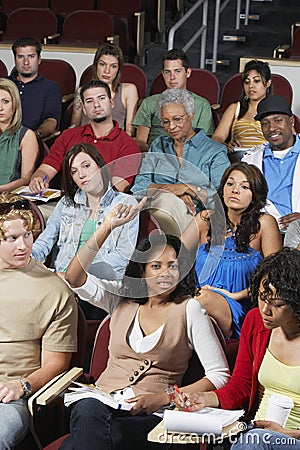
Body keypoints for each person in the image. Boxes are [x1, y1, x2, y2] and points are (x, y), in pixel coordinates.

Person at [60, 201, 230, 450]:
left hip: (153, 415)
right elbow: (74, 277)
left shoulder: (190, 309)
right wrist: (107, 225)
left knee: (78, 442)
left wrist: (164, 397)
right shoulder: (120, 298)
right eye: (156, 266)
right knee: (90, 411)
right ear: (141, 271)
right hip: (103, 404)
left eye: (173, 266)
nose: (166, 274)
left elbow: (220, 375)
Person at [176, 248, 300, 450]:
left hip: (291, 438)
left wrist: (288, 434)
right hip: (255, 433)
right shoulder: (255, 321)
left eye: (277, 304)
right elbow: (242, 384)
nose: (265, 310)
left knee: (257, 440)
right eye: (262, 298)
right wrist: (206, 398)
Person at [0, 192, 77, 449]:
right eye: (11, 238)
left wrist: (22, 385)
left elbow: (56, 363)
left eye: (27, 235)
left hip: (10, 395)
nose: (22, 246)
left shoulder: (55, 291)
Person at [181, 162, 282, 338]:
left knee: (198, 301)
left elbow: (275, 278)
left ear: (255, 195)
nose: (235, 190)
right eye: (230, 184)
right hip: (195, 297)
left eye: (244, 187)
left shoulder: (264, 223)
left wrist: (235, 295)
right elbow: (175, 257)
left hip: (238, 305)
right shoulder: (206, 219)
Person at [32, 143, 139, 280]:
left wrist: (76, 275)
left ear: (100, 166)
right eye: (74, 171)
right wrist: (25, 259)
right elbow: (44, 242)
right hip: (59, 277)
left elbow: (122, 258)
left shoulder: (125, 203)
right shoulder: (66, 203)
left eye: (86, 166)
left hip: (98, 282)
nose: (81, 175)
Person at [131, 88, 230, 236]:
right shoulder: (158, 145)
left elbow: (222, 196)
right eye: (165, 122)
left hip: (197, 217)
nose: (171, 127)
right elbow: (139, 186)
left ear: (191, 116)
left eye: (177, 119)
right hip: (156, 210)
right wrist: (173, 191)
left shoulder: (214, 151)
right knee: (165, 201)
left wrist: (189, 189)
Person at [29, 80, 141, 195]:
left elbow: (117, 187)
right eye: (89, 101)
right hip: (64, 203)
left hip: (104, 206)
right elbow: (46, 169)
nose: (96, 105)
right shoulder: (68, 136)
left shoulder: (128, 145)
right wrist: (38, 179)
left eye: (101, 98)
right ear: (84, 110)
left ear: (112, 103)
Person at [132, 48, 214, 151]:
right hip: (155, 156)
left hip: (189, 157)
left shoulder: (202, 104)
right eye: (167, 72)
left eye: (177, 71)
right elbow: (141, 141)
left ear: (188, 73)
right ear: (162, 74)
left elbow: (204, 142)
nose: (172, 77)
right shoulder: (149, 102)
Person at [242, 95, 300, 230]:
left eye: (278, 120)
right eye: (265, 123)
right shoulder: (250, 160)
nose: (271, 128)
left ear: (291, 121)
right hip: (263, 231)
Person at [71, 43, 139, 136]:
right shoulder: (81, 91)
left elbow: (129, 130)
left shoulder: (129, 90)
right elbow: (75, 126)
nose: (107, 71)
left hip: (114, 144)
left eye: (113, 66)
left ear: (118, 69)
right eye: (102, 64)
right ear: (95, 66)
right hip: (85, 143)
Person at [212, 60, 271, 155]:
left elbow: (292, 139)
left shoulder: (276, 109)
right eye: (247, 82)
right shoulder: (235, 108)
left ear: (268, 83)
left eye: (256, 81)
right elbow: (217, 138)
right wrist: (226, 146)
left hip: (267, 158)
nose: (251, 86)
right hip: (239, 160)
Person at [8, 37, 61, 140]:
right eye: (20, 57)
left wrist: (34, 136)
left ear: (39, 59)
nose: (26, 62)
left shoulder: (50, 87)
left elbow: (51, 122)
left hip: (31, 141)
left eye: (31, 56)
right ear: (15, 60)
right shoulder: (4, 84)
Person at [0, 78, 39, 192]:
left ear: (15, 103)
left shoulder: (27, 136)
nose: (0, 108)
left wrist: (1, 189)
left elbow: (25, 179)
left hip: (10, 196)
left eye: (5, 101)